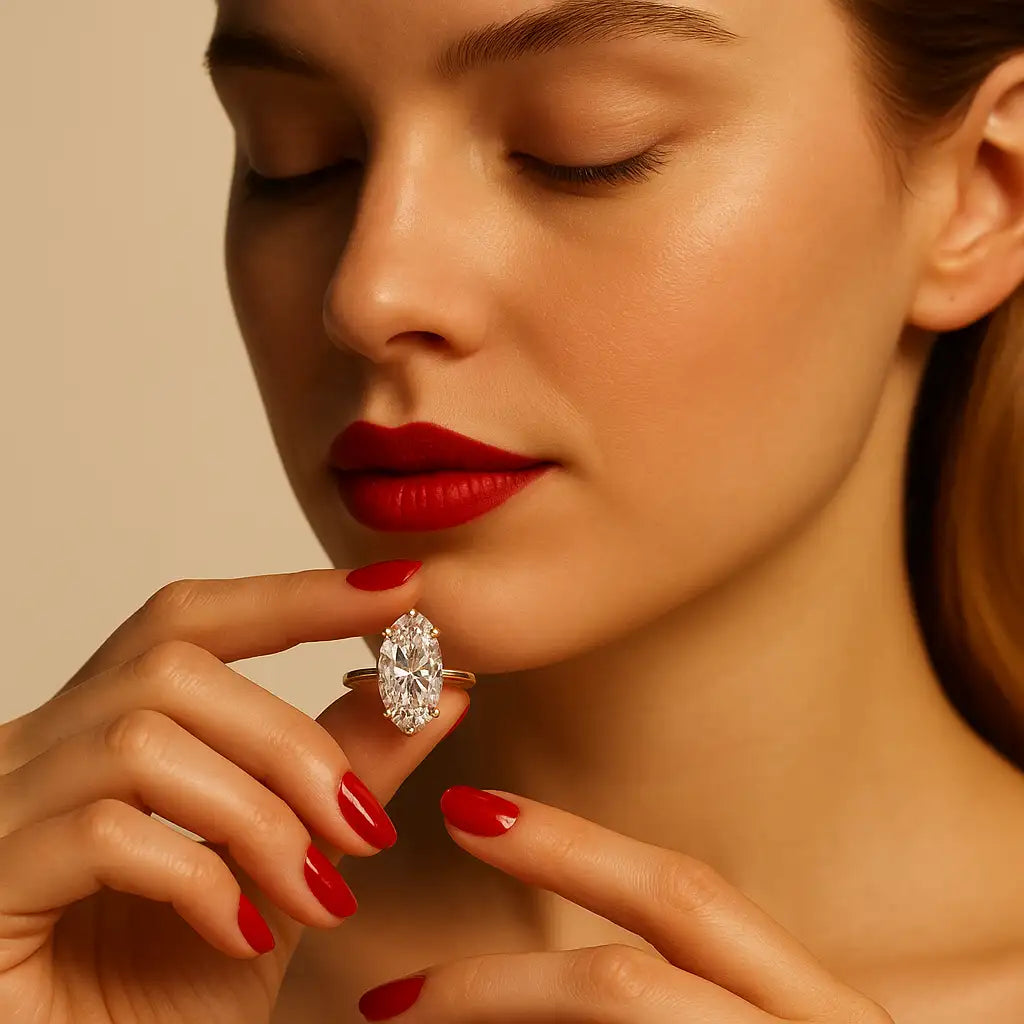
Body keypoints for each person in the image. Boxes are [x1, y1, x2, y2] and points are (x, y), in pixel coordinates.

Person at [3, 0, 1024, 1021]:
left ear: (983, 196)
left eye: (580, 150)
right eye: (295, 155)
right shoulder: (100, 967)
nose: (368, 292)